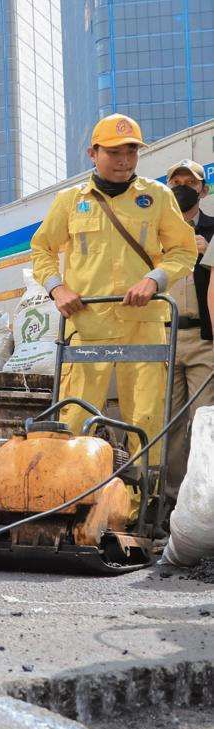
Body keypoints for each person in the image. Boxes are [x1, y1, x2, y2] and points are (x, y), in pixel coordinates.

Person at [31, 114, 196, 517]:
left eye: (131, 151)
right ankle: (68, 499)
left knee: (147, 416)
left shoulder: (157, 197)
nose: (124, 160)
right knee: (76, 410)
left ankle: (143, 509)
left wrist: (154, 281)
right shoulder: (72, 201)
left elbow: (183, 250)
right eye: (114, 152)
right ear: (93, 153)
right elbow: (41, 250)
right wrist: (58, 288)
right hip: (89, 326)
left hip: (144, 324)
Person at [164, 160, 214, 502]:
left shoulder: (213, 229)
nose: (183, 185)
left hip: (202, 339)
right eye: (176, 180)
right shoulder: (156, 231)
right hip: (163, 338)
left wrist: (206, 250)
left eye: (190, 181)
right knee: (167, 426)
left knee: (202, 422)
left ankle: (201, 500)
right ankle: (169, 502)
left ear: (204, 189)